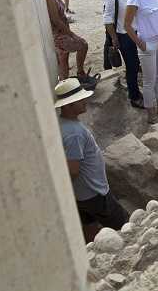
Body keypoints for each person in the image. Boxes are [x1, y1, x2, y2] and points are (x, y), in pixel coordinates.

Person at [56, 78, 129, 243]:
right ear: (68, 105)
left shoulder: (64, 124)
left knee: (89, 224)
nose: (85, 101)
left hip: (81, 194)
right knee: (125, 225)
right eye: (79, 100)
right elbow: (73, 169)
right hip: (94, 192)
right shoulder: (73, 133)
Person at [43, 0, 96, 85]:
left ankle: (66, 86)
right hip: (59, 34)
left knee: (64, 63)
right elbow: (56, 20)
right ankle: (80, 73)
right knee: (82, 45)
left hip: (61, 33)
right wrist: (71, 34)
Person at [103, 0, 143, 109]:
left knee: (139, 63)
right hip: (125, 35)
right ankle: (134, 96)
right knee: (131, 67)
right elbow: (108, 21)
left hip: (139, 31)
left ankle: (138, 91)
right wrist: (114, 39)